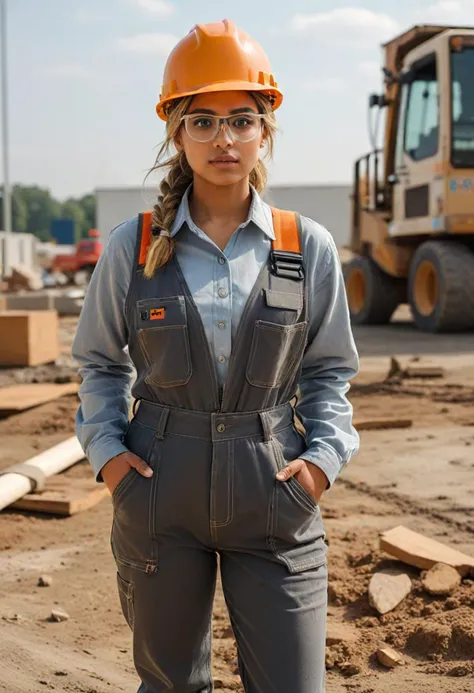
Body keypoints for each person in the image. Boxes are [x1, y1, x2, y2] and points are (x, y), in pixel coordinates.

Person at [72, 18, 359, 693]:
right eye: (202, 120)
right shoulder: (133, 246)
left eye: (240, 119)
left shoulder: (304, 246)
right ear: (177, 132)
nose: (223, 138)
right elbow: (99, 363)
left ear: (266, 130)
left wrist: (319, 467)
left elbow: (329, 372)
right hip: (158, 498)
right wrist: (112, 461)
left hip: (276, 498)